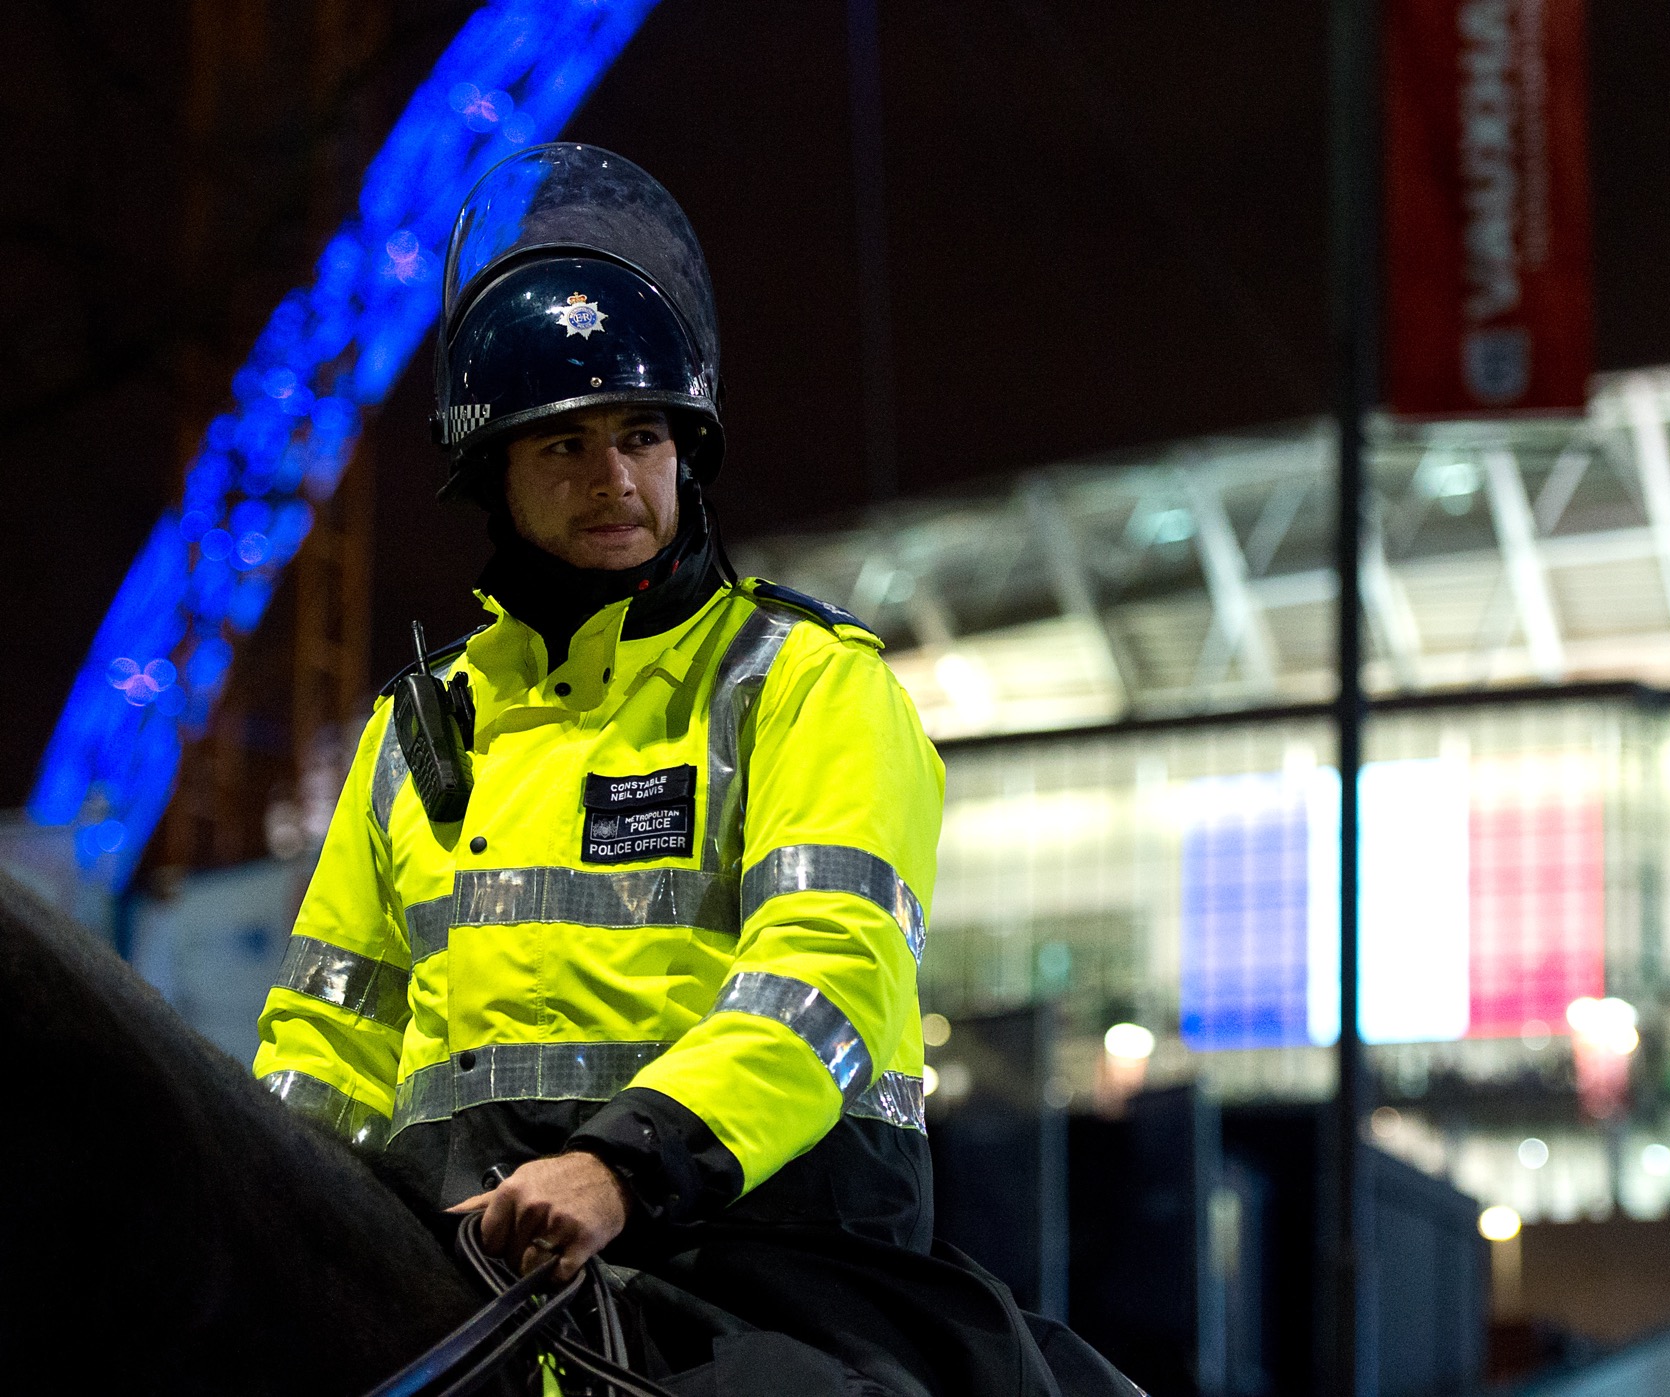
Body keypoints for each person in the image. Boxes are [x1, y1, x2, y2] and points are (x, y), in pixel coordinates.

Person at [253, 144, 1131, 1397]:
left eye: (642, 436)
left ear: (685, 451)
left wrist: (624, 1166)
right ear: (491, 475)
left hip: (762, 1279)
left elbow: (826, 972)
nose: (614, 477)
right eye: (563, 447)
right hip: (459, 1284)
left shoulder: (810, 685)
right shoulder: (418, 728)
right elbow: (328, 1033)